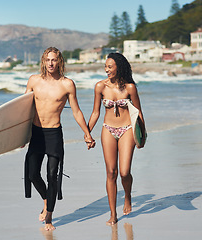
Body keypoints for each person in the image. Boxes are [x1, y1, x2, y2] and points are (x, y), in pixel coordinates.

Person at [24, 47, 95, 231]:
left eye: (54, 60)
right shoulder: (34, 80)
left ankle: (49, 217)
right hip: (36, 133)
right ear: (43, 61)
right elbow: (23, 110)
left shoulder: (67, 84)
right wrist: (19, 135)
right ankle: (47, 200)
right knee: (32, 174)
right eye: (47, 60)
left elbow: (76, 111)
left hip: (54, 134)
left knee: (52, 177)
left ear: (60, 61)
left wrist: (87, 133)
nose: (50, 63)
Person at [87, 53, 145, 225]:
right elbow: (96, 112)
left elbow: (139, 112)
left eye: (110, 66)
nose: (107, 69)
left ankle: (127, 196)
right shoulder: (100, 87)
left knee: (124, 172)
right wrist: (87, 132)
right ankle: (113, 214)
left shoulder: (130, 88)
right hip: (108, 129)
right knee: (111, 172)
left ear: (119, 66)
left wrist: (141, 135)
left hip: (127, 129)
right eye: (105, 66)